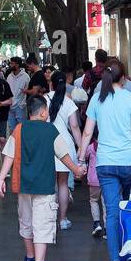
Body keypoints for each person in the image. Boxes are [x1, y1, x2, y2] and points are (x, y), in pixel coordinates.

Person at [0, 94, 87, 261]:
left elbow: (9, 154)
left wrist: (1, 177)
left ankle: (30, 258)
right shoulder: (51, 130)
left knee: (26, 222)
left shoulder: (19, 129)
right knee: (43, 224)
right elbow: (64, 156)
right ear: (44, 112)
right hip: (45, 186)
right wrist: (77, 170)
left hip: (23, 186)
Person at [78, 59, 131, 261]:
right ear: (124, 78)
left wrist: (81, 159)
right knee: (130, 208)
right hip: (128, 163)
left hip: (105, 163)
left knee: (112, 211)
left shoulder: (97, 100)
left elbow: (88, 133)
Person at [47, 72, 83, 231]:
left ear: (51, 84)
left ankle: (48, 219)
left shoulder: (43, 100)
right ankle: (62, 219)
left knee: (49, 185)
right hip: (65, 146)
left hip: (46, 144)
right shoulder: (68, 102)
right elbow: (74, 127)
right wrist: (81, 148)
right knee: (63, 184)